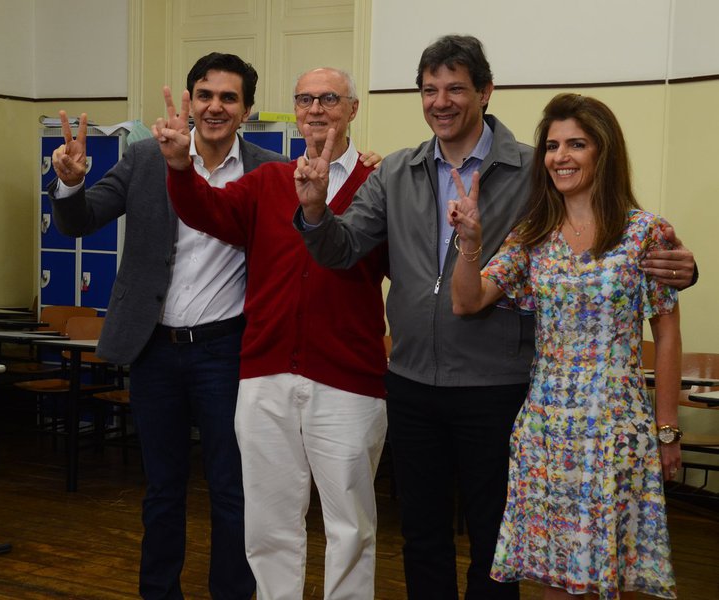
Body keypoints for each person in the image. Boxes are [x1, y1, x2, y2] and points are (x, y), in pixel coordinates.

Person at [293, 35, 695, 599]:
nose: (441, 101)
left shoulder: (537, 171)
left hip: (499, 387)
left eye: (456, 87)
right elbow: (341, 248)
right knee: (422, 536)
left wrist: (680, 265)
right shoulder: (396, 172)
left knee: (496, 543)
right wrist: (314, 209)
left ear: (485, 91)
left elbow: (605, 239)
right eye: (430, 89)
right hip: (412, 382)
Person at [49, 53, 286, 600]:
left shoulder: (268, 170)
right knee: (161, 490)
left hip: (228, 351)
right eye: (204, 95)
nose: (214, 107)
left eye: (229, 98)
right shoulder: (143, 159)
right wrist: (68, 185)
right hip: (155, 348)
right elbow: (82, 220)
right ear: (188, 101)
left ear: (247, 110)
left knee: (232, 489)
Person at [153, 67, 389, 599]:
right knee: (268, 525)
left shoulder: (380, 184)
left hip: (348, 380)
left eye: (330, 98)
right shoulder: (266, 183)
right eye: (305, 98)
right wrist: (178, 167)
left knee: (350, 527)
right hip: (265, 378)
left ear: (352, 109)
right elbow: (205, 211)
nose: (316, 108)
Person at [448, 92, 681, 599]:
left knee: (609, 571)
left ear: (604, 151)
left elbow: (665, 334)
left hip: (616, 425)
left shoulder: (647, 233)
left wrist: (667, 431)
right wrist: (469, 243)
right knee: (555, 573)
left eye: (577, 143)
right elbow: (468, 300)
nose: (561, 156)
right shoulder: (532, 236)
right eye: (552, 146)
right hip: (546, 426)